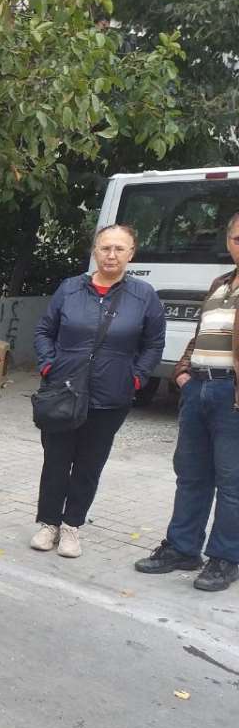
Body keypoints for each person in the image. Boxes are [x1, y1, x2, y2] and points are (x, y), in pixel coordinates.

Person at [31, 224, 165, 557]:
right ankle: (48, 524)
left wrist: (136, 377)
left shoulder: (143, 295)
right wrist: (49, 365)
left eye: (120, 248)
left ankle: (72, 526)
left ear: (131, 253)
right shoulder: (70, 289)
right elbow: (44, 331)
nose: (111, 255)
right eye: (106, 247)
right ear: (95, 250)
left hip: (110, 397)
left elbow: (153, 343)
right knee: (56, 461)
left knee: (89, 464)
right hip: (63, 391)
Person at [134, 213, 239, 590]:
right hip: (199, 389)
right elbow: (201, 334)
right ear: (228, 242)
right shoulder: (220, 284)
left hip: (233, 395)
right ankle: (182, 548)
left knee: (232, 482)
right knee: (191, 475)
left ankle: (225, 558)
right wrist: (182, 371)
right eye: (238, 238)